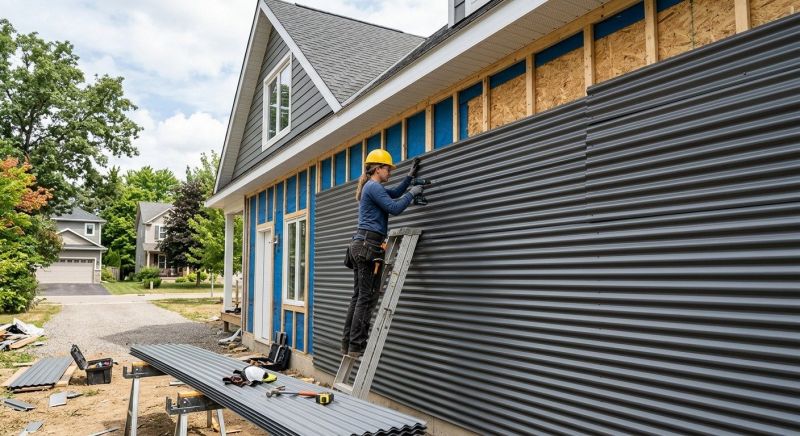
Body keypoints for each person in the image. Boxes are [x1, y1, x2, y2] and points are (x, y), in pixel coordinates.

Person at [341, 149, 423, 357]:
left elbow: (393, 194)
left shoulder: (371, 187)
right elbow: (394, 207)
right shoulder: (373, 186)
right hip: (368, 246)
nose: (390, 172)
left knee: (359, 296)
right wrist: (413, 193)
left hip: (361, 245)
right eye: (388, 169)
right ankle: (357, 345)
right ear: (378, 169)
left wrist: (409, 178)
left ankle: (348, 344)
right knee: (366, 297)